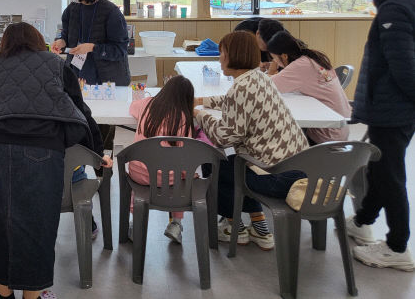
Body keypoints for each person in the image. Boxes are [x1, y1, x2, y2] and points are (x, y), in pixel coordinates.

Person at [0, 22, 112, 299]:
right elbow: (80, 110)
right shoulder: (55, 63)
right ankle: (34, 296)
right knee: (38, 224)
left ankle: (3, 295)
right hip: (41, 149)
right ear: (38, 40)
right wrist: (98, 154)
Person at [194, 31, 309, 251]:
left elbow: (222, 138)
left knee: (214, 165)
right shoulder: (259, 78)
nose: (219, 58)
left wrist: (198, 113)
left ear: (232, 55)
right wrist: (202, 101)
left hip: (277, 177)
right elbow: (233, 101)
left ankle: (233, 226)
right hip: (298, 168)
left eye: (221, 53)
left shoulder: (241, 87)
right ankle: (258, 225)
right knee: (240, 162)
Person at [346, 0, 415, 271]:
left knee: (390, 175)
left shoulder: (394, 10)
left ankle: (398, 246)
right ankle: (361, 221)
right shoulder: (407, 2)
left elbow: (402, 66)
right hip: (394, 108)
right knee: (378, 167)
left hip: (392, 109)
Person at [51, 0, 131, 178]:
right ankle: (77, 174)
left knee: (103, 130)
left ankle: (102, 176)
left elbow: (120, 49)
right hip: (77, 79)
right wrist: (61, 42)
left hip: (107, 81)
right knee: (77, 125)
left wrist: (93, 47)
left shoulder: (111, 13)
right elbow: (65, 34)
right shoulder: (72, 10)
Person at [128, 75, 213, 244]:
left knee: (138, 184)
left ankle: (134, 222)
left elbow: (132, 107)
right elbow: (183, 158)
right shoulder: (183, 119)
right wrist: (189, 175)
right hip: (168, 179)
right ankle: (176, 223)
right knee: (181, 175)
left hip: (138, 173)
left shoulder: (146, 104)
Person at [266, 31, 351, 144]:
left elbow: (267, 86)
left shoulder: (300, 66)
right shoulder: (313, 57)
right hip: (340, 129)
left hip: (326, 136)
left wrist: (271, 71)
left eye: (275, 59)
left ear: (284, 56)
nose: (275, 62)